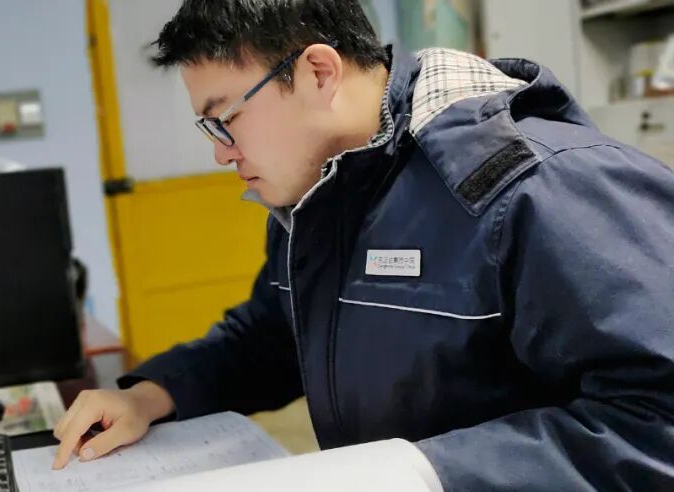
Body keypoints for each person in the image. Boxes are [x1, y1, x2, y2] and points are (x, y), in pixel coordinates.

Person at [52, 1, 674, 489]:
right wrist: (150, 395)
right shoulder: (318, 191)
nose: (220, 152)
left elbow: (657, 419)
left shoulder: (537, 185)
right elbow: (275, 335)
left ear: (318, 72)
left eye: (226, 118)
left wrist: (421, 472)